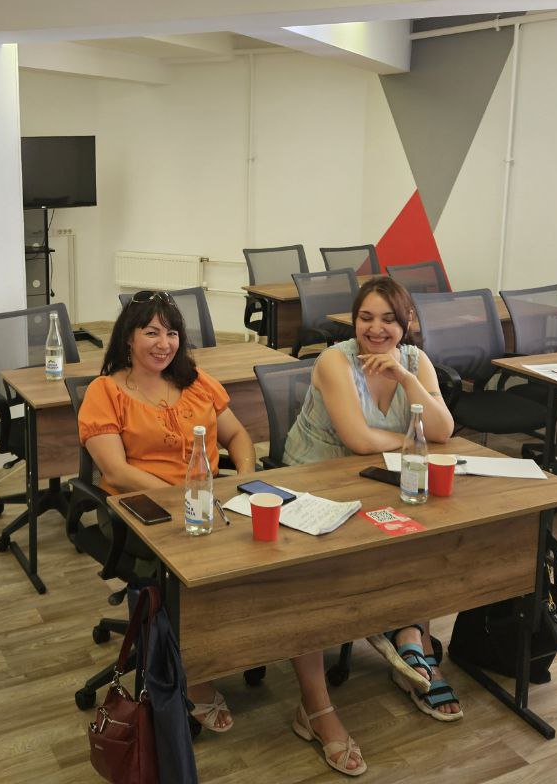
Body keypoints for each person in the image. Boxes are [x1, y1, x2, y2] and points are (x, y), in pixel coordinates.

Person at [79, 291, 367, 776]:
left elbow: (237, 437)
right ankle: (193, 672)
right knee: (207, 575)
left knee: (292, 570)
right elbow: (117, 471)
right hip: (143, 511)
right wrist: (187, 496)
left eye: (172, 333)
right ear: (128, 338)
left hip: (214, 503)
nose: (164, 343)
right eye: (151, 332)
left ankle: (314, 705)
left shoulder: (195, 382)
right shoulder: (104, 391)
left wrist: (243, 481)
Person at [284, 275, 464, 721]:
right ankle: (401, 637)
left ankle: (410, 640)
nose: (376, 329)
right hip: (319, 478)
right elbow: (358, 439)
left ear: (406, 323)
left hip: (378, 478)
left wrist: (405, 378)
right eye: (365, 318)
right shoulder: (334, 360)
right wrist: (414, 439)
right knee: (343, 562)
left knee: (425, 536)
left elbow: (443, 430)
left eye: (388, 319)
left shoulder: (415, 361)